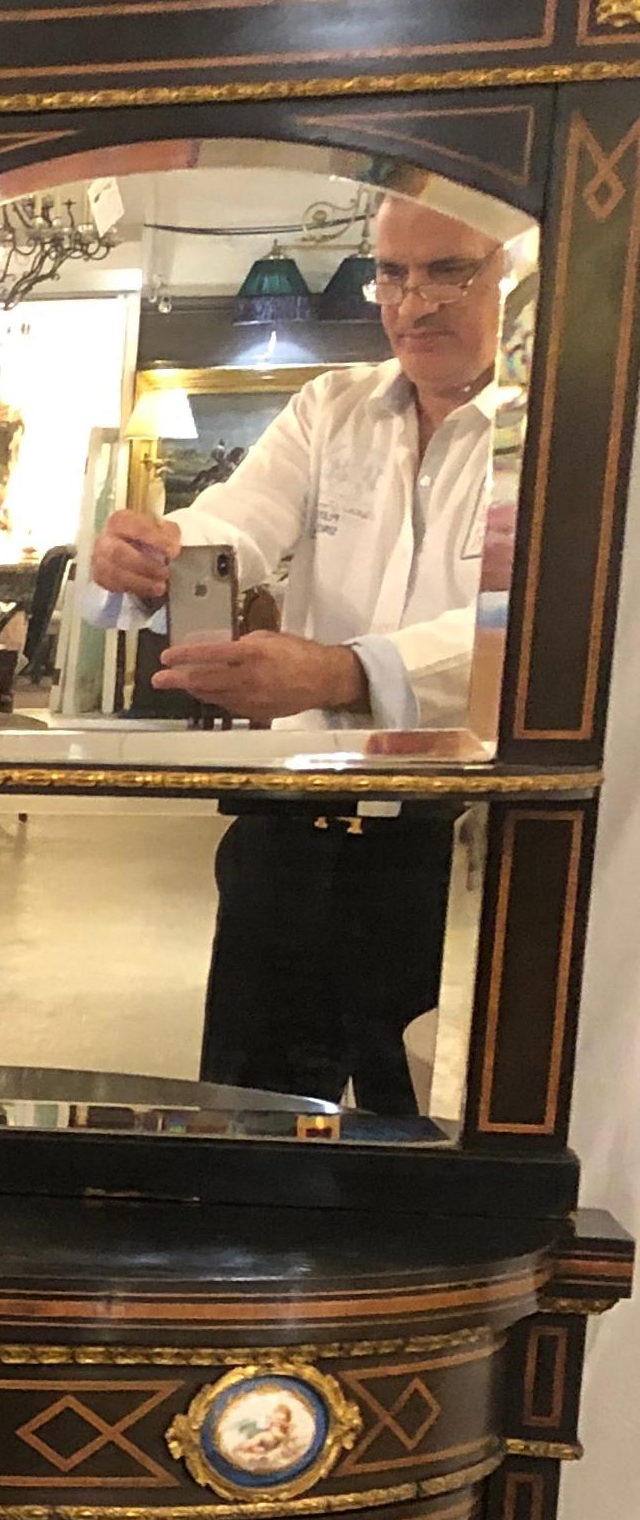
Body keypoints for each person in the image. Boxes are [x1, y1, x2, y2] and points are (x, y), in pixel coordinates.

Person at [88, 191, 512, 1115]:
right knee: (248, 1115)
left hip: (465, 842)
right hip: (299, 818)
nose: (413, 303)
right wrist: (158, 551)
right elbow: (234, 524)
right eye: (391, 275)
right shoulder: (332, 407)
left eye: (448, 271)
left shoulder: (558, 426)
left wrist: (343, 670)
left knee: (434, 1123)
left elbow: (528, 624)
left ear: (512, 275)